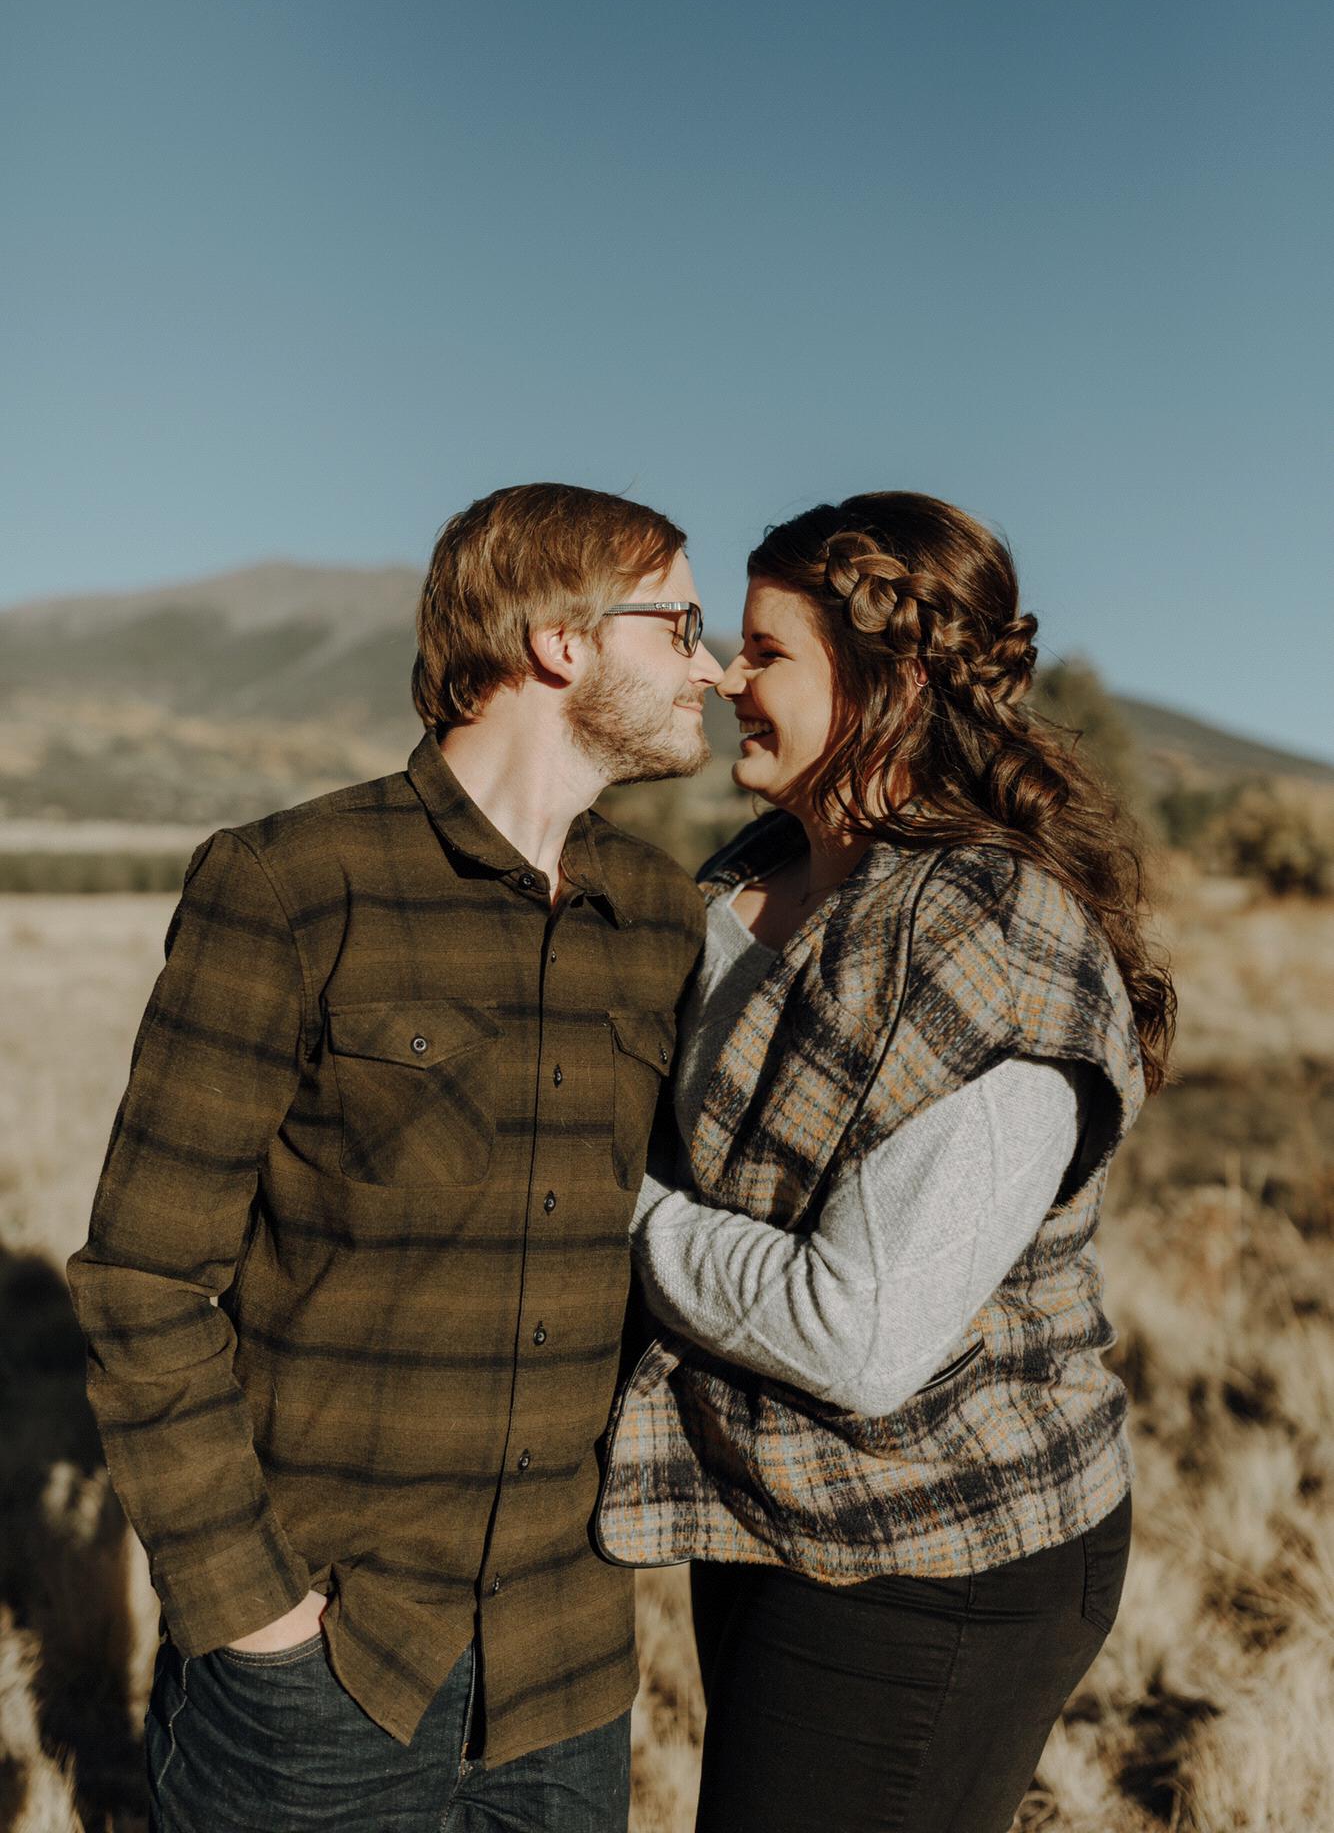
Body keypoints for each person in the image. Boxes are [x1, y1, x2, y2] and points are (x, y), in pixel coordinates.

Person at [67, 482, 723, 1833]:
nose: (708, 666)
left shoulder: (662, 917)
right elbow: (144, 1280)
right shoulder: (293, 884)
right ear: (560, 640)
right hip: (321, 1673)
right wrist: (251, 1610)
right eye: (680, 624)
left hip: (567, 1677)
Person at [596, 491, 1176, 1833]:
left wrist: (605, 1213)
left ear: (893, 687)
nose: (725, 678)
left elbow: (856, 1333)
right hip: (774, 1503)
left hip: (942, 1551)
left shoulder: (997, 942)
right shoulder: (748, 874)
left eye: (767, 651)